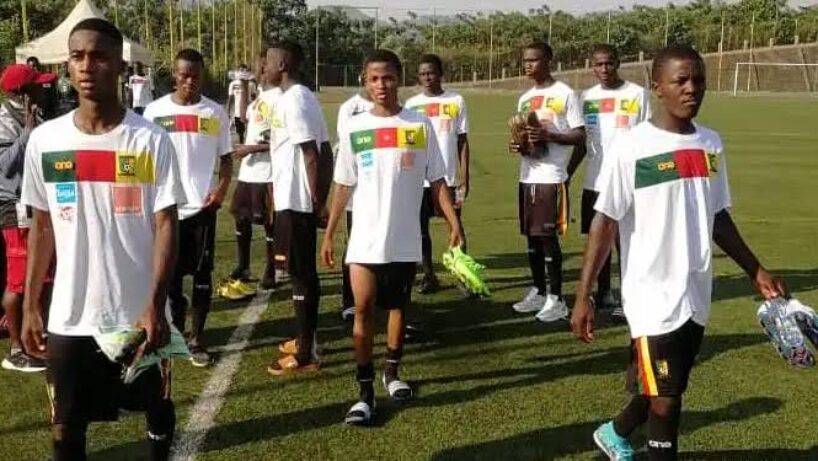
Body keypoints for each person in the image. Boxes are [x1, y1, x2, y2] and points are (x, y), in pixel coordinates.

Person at [570, 45, 787, 461]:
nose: (692, 89)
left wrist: (755, 270)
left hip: (695, 293)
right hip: (650, 296)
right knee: (667, 400)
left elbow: (718, 215)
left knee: (667, 385)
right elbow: (604, 223)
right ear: (657, 87)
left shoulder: (711, 144)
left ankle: (614, 434)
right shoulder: (632, 146)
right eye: (680, 80)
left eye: (698, 80)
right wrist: (584, 297)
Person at [21, 18, 184, 460]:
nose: (87, 65)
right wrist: (32, 301)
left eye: (99, 55)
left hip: (137, 313)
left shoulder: (150, 139)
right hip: (70, 316)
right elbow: (42, 225)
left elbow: (166, 224)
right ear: (67, 65)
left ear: (118, 64)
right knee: (66, 426)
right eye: (78, 56)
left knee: (155, 407)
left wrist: (155, 302)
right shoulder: (45, 141)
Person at [321, 49, 462, 425]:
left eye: (387, 78)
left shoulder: (419, 125)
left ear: (399, 79)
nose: (381, 85)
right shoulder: (354, 127)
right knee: (364, 311)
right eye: (373, 79)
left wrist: (453, 222)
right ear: (365, 84)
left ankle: (392, 373)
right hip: (364, 238)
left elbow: (438, 181)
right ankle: (364, 393)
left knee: (399, 309)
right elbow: (342, 183)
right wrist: (331, 231)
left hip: (404, 237)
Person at [143, 48, 232, 368]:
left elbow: (226, 159)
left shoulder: (214, 113)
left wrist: (220, 191)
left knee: (202, 276)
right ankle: (175, 331)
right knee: (168, 276)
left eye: (195, 75)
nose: (190, 81)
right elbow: (143, 160)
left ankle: (197, 339)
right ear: (174, 77)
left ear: (202, 76)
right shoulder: (153, 112)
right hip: (165, 209)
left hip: (202, 208)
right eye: (184, 75)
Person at [567, 44, 651, 320]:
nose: (604, 69)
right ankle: (603, 293)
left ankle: (629, 297)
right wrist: (567, 173)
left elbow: (649, 139)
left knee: (625, 243)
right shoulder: (587, 97)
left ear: (618, 63)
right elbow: (583, 142)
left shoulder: (637, 94)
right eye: (599, 64)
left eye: (609, 64)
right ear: (592, 66)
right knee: (597, 239)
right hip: (595, 181)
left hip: (627, 182)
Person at [265, 41, 330, 375]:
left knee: (300, 276)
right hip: (295, 199)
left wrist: (317, 203)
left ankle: (306, 353)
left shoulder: (295, 99)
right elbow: (324, 149)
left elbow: (312, 154)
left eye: (268, 61)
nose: (264, 67)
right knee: (302, 274)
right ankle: (307, 337)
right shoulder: (298, 97)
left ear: (284, 64)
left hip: (298, 202)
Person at [509, 42, 585, 322]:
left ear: (549, 60)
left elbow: (580, 136)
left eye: (534, 60)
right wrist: (521, 145)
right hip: (528, 174)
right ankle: (539, 292)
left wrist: (549, 137)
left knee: (547, 237)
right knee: (531, 237)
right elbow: (528, 137)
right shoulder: (525, 98)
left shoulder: (565, 93)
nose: (528, 65)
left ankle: (557, 299)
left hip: (551, 177)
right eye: (525, 60)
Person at [0, 63, 56, 372]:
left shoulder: (35, 114)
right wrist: (27, 135)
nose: (43, 89)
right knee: (17, 280)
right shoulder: (5, 121)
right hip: (14, 208)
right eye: (37, 85)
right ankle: (16, 349)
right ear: (22, 93)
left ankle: (36, 334)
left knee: (42, 273)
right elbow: (3, 167)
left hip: (36, 206)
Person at [405, 54, 470, 295]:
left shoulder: (457, 100)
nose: (427, 78)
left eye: (431, 72)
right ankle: (429, 275)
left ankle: (463, 275)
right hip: (419, 180)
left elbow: (463, 141)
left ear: (441, 74)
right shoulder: (411, 105)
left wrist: (465, 176)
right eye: (422, 74)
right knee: (420, 230)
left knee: (454, 227)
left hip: (448, 178)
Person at [228, 49, 282, 293]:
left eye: (263, 67)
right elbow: (245, 118)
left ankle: (271, 269)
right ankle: (244, 265)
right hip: (249, 173)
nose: (260, 71)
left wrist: (250, 148)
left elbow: (282, 139)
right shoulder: (258, 98)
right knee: (241, 218)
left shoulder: (281, 98)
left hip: (268, 173)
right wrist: (242, 85)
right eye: (258, 67)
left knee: (269, 224)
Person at [335, 77, 374, 321]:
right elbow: (347, 149)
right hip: (357, 192)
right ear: (363, 79)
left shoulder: (395, 105)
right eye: (372, 78)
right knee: (354, 246)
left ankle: (376, 296)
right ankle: (349, 300)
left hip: (382, 193)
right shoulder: (350, 108)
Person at [226, 64, 256, 144]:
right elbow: (230, 98)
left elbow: (254, 98)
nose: (243, 72)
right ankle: (241, 141)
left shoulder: (251, 85)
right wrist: (227, 111)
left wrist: (255, 109)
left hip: (249, 111)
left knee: (249, 129)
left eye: (244, 70)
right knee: (240, 131)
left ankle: (248, 143)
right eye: (241, 70)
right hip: (237, 111)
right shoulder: (233, 84)